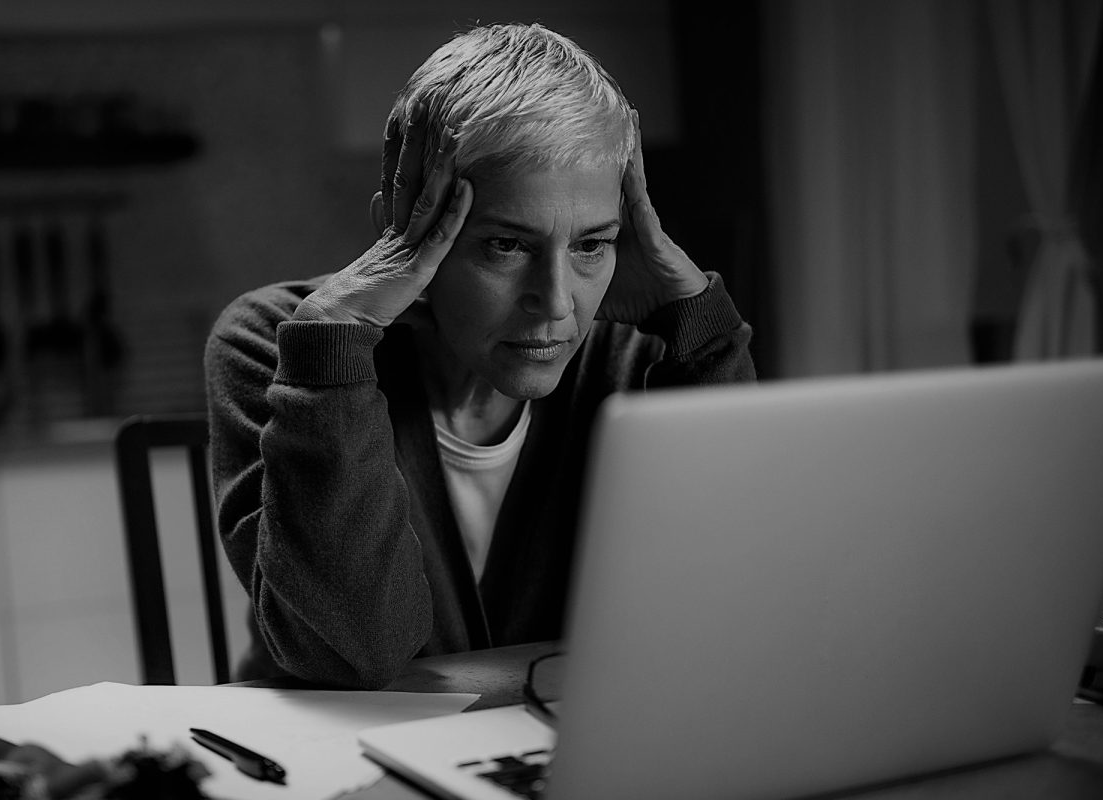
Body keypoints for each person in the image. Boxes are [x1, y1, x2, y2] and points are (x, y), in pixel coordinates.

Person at [205, 22, 755, 689]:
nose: (555, 302)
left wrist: (699, 329)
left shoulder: (638, 354)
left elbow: (726, 611)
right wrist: (334, 345)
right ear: (407, 229)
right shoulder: (277, 341)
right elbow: (357, 654)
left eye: (591, 245)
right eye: (507, 246)